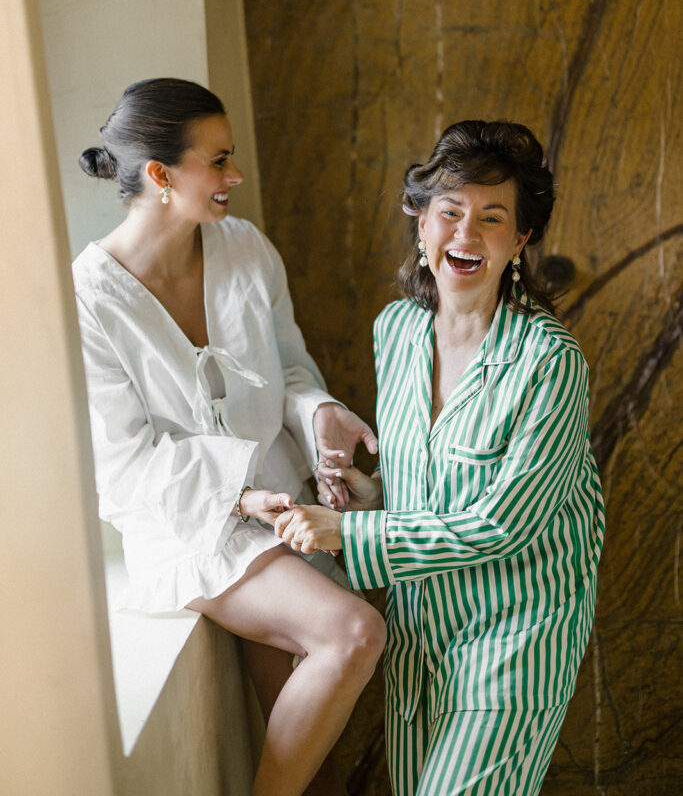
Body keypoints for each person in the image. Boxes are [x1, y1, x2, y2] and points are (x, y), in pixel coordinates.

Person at [73, 77, 386, 796]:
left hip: (287, 507)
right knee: (351, 634)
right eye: (217, 161)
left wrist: (318, 417)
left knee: (313, 758)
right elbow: (121, 460)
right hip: (190, 526)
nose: (234, 176)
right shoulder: (89, 297)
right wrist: (239, 498)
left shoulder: (245, 246)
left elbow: (293, 369)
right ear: (159, 175)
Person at [275, 120, 605, 796]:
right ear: (420, 223)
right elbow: (419, 485)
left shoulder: (547, 360)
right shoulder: (393, 332)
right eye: (449, 211)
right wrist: (360, 493)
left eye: (492, 218)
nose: (465, 232)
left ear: (519, 242)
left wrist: (350, 533)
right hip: (418, 633)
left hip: (516, 637)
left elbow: (504, 522)